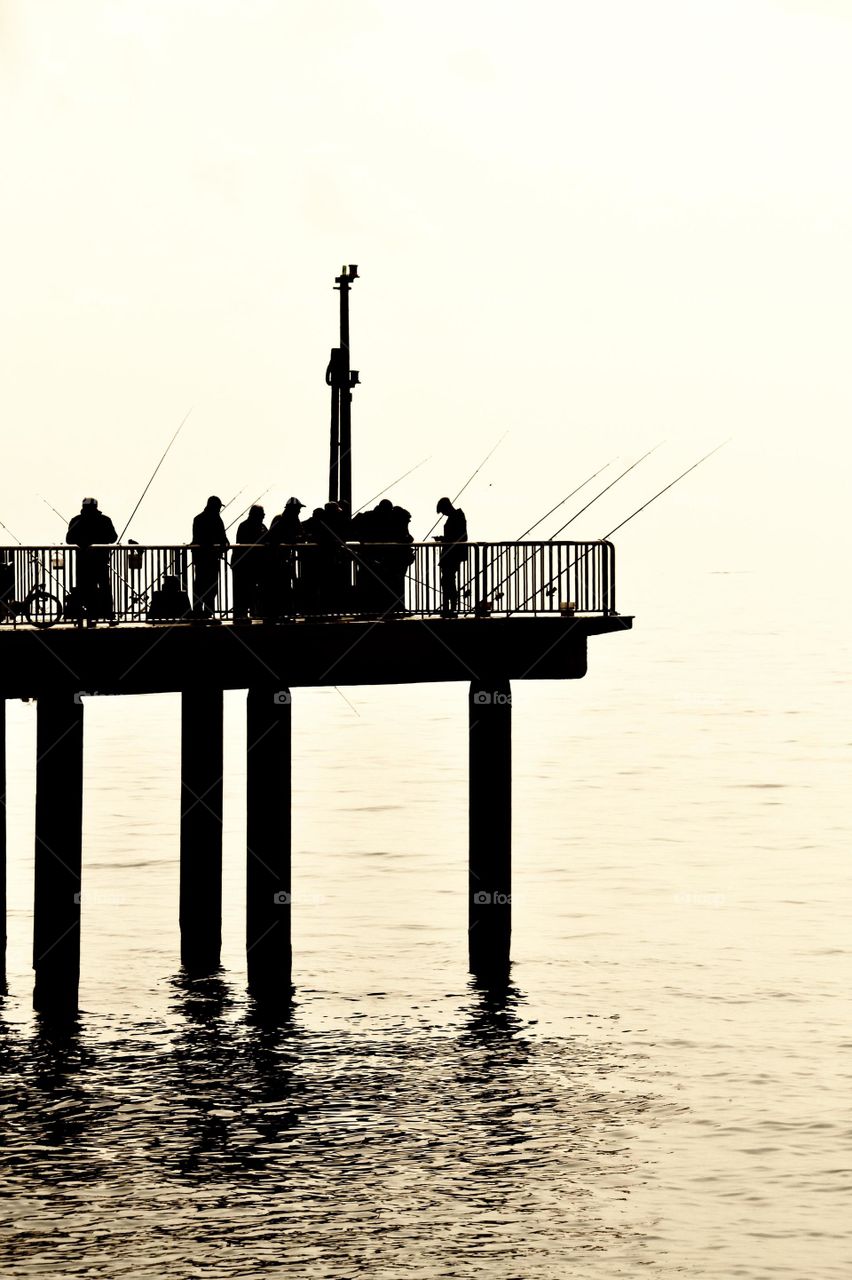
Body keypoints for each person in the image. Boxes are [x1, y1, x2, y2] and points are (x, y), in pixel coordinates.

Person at [66, 498, 118, 625]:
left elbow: (69, 539)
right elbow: (113, 537)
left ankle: (91, 617)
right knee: (105, 588)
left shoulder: (76, 520)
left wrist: (83, 542)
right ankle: (109, 615)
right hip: (101, 561)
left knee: (88, 590)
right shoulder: (105, 520)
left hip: (83, 561)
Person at [191, 496, 229, 620]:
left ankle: (198, 612)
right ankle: (208, 613)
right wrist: (222, 547)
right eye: (218, 507)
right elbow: (224, 540)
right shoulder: (217, 520)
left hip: (201, 559)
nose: (219, 509)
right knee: (211, 588)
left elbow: (197, 539)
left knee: (200, 586)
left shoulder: (198, 519)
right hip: (211, 559)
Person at [232, 505, 267, 622]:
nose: (263, 516)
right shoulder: (248, 526)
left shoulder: (256, 526)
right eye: (262, 514)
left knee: (248, 591)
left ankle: (247, 613)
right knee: (244, 590)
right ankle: (243, 614)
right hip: (246, 565)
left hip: (253, 564)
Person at [434, 496, 467, 616]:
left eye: (443, 511)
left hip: (452, 554)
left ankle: (451, 608)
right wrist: (444, 539)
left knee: (447, 581)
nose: (443, 514)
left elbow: (461, 537)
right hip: (451, 554)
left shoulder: (457, 517)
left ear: (447, 507)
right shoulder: (457, 516)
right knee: (448, 581)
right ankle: (449, 607)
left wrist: (445, 539)